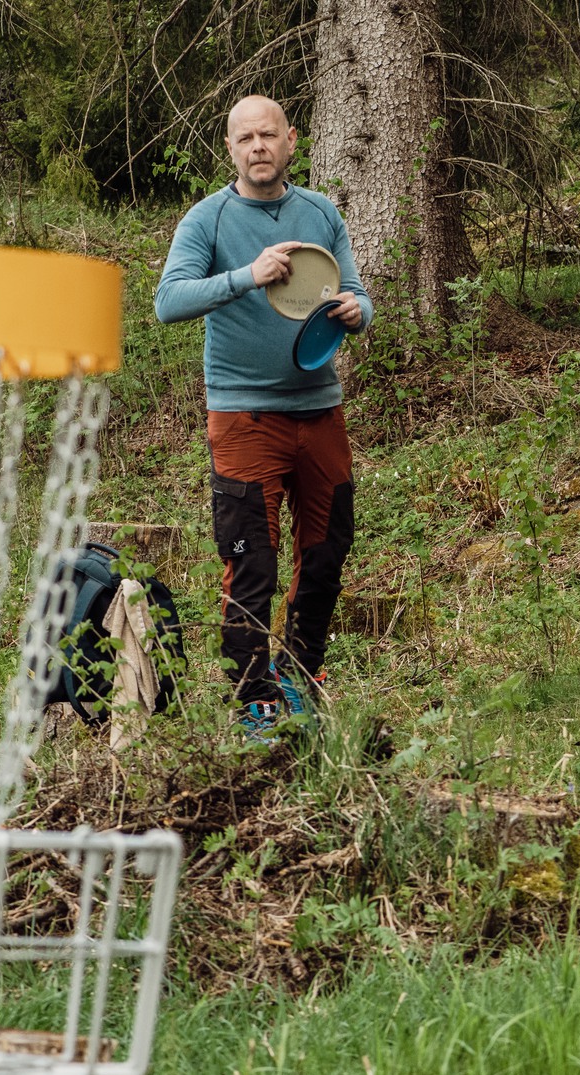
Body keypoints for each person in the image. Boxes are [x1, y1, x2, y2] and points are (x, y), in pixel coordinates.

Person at [153, 94, 372, 739]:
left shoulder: (320, 212)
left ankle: (302, 676)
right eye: (245, 138)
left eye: (268, 135)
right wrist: (247, 275)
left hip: (319, 410)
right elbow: (168, 302)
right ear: (231, 148)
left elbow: (352, 291)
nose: (257, 147)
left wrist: (360, 311)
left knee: (327, 550)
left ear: (291, 140)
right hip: (244, 416)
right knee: (251, 560)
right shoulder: (208, 220)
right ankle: (255, 699)